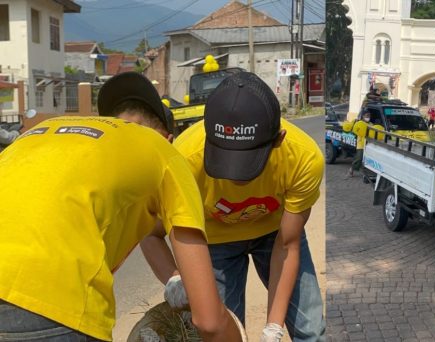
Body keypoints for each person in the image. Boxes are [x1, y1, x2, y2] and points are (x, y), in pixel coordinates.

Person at [0, 72, 243, 342]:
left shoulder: (43, 132)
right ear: (168, 137)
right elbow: (209, 321)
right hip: (44, 301)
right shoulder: (163, 152)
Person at [140, 72, 325, 342]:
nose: (235, 177)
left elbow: (288, 244)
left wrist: (273, 326)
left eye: (248, 163)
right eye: (225, 160)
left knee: (311, 331)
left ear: (278, 139)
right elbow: (150, 232)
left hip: (276, 233)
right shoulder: (183, 160)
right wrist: (175, 279)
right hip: (214, 241)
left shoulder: (303, 158)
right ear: (207, 137)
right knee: (219, 334)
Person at [346, 110, 373, 179]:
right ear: (363, 116)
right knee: (359, 158)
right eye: (366, 116)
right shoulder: (359, 123)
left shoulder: (371, 124)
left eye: (369, 116)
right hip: (360, 144)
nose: (368, 117)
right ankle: (351, 170)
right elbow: (355, 131)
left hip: (368, 144)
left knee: (367, 159)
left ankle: (365, 173)